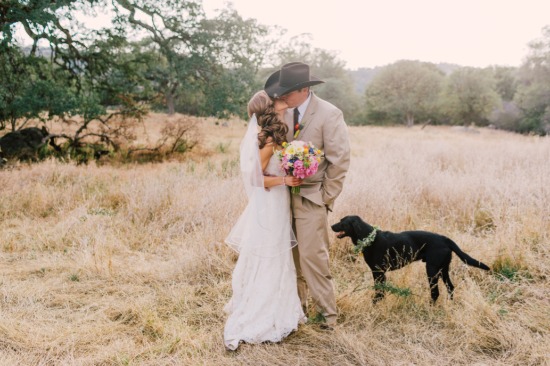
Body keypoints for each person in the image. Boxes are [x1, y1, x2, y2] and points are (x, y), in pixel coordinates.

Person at [264, 62, 351, 329]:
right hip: (280, 198)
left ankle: (328, 317)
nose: (281, 97)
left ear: (303, 89)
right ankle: (298, 311)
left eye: (286, 92)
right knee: (291, 257)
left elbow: (339, 160)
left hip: (312, 197)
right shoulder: (281, 113)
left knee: (313, 258)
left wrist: (325, 198)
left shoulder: (329, 114)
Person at [223, 90, 305, 351]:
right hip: (270, 202)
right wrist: (285, 179)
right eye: (276, 97)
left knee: (276, 253)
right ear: (269, 107)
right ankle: (265, 314)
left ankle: (281, 306)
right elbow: (255, 178)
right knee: (271, 252)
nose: (281, 97)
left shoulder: (275, 132)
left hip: (277, 201)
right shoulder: (269, 138)